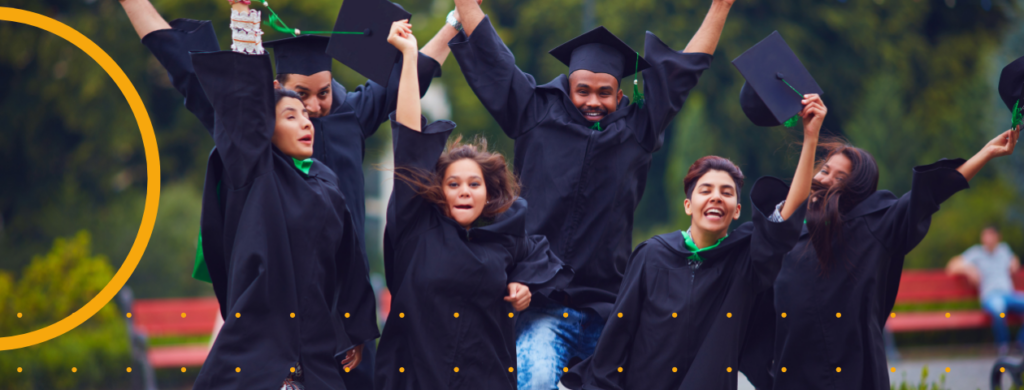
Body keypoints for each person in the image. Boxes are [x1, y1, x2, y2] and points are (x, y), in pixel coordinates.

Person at [116, 0, 457, 385]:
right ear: (274, 93)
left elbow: (408, 82)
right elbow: (185, 64)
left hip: (335, 302)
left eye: (323, 94)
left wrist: (452, 25)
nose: (311, 110)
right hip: (270, 297)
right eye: (297, 101)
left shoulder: (348, 120)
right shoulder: (252, 150)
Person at [447, 1, 736, 387]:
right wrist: (465, 4)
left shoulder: (637, 132)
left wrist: (721, 6)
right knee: (536, 383)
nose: (592, 102)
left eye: (604, 93)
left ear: (620, 96)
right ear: (568, 87)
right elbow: (494, 58)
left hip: (607, 309)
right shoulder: (535, 114)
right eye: (582, 91)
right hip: (541, 304)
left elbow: (684, 71)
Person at [561, 91, 824, 389]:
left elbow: (786, 217)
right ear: (688, 205)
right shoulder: (652, 255)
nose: (716, 197)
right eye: (706, 190)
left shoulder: (744, 262)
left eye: (726, 192)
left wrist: (811, 137)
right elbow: (618, 333)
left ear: (737, 211)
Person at [375, 19, 572, 390]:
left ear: (489, 192)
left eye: (474, 183)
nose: (464, 190)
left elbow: (536, 260)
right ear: (440, 192)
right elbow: (409, 138)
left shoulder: (505, 236)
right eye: (453, 183)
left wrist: (522, 283)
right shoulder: (416, 227)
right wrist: (409, 57)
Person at [187, 3, 377, 388]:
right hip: (259, 344)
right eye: (290, 115)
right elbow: (243, 102)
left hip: (314, 344)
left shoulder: (324, 182)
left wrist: (354, 326)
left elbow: (349, 258)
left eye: (306, 116)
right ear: (265, 129)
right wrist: (243, 17)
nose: (306, 120)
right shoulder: (254, 171)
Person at [769, 127, 1019, 389]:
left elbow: (928, 195)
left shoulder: (873, 227)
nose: (826, 179)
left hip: (851, 372)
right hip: (794, 371)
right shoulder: (791, 232)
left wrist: (986, 153)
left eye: (840, 177)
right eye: (825, 170)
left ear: (856, 190)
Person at [947, 226, 1022, 355]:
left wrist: (1015, 262)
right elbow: (951, 265)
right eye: (985, 235)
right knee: (999, 311)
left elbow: (1014, 260)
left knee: (1003, 307)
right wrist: (968, 269)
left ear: (998, 237)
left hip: (1009, 294)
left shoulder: (1004, 249)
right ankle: (1003, 346)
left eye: (991, 235)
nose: (987, 239)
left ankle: (1020, 345)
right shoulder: (977, 253)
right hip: (991, 296)